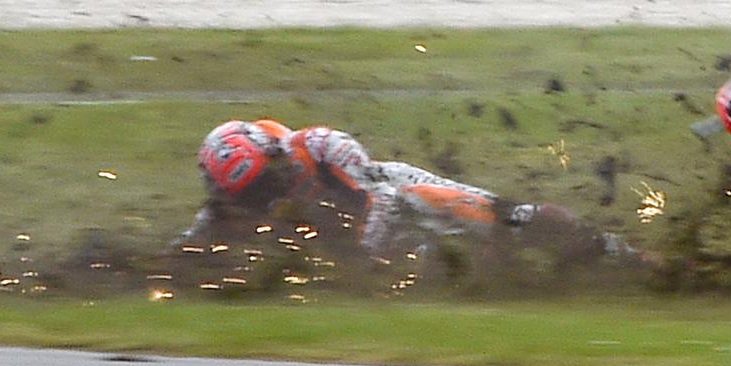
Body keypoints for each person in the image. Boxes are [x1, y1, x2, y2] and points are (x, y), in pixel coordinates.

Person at [176, 119, 636, 269]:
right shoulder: (229, 197)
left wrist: (362, 259)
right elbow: (193, 241)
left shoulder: (320, 144)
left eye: (264, 184)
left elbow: (384, 200)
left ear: (273, 156)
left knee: (506, 217)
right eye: (249, 194)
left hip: (400, 198)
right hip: (345, 243)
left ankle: (617, 251)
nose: (263, 198)